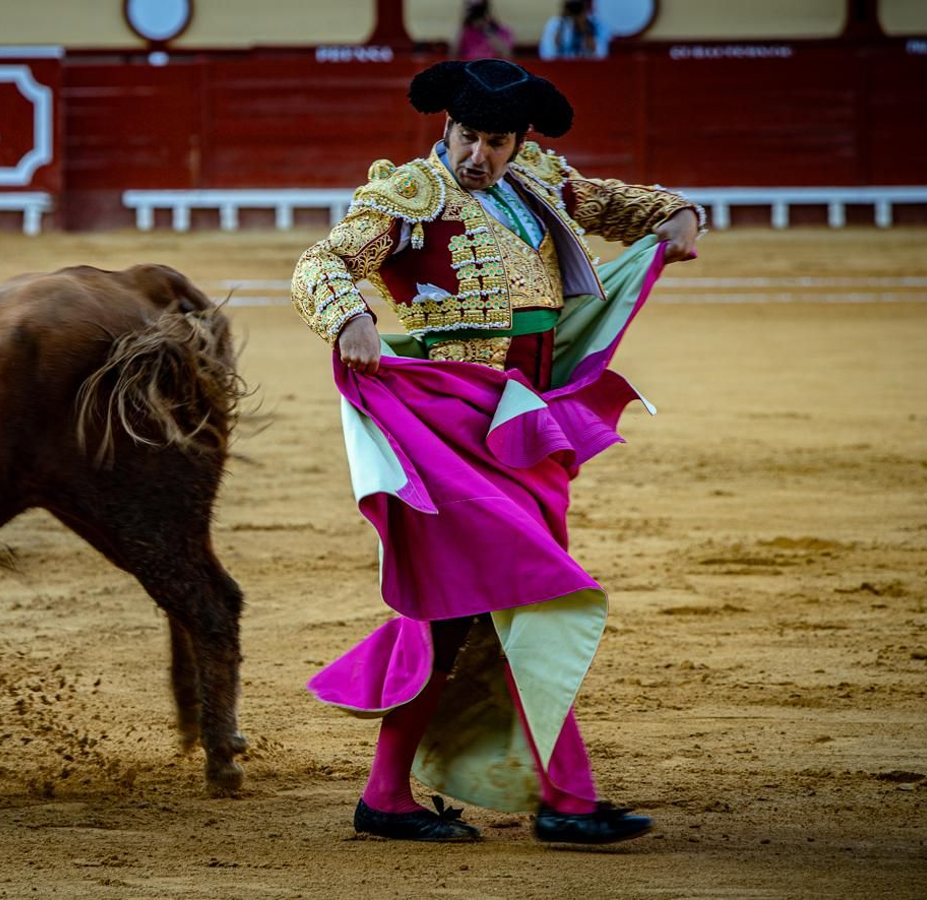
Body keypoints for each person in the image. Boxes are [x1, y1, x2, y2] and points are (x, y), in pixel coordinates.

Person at [291, 58, 701, 844]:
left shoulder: (539, 180)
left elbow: (622, 204)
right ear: (445, 128)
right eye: (467, 136)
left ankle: (388, 795)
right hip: (445, 425)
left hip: (523, 424)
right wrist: (349, 316)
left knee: (466, 609)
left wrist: (679, 214)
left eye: (496, 140)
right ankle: (567, 800)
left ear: (520, 141)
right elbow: (321, 263)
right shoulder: (410, 196)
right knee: (526, 590)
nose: (478, 154)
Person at [539, 0, 609, 60]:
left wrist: (586, 29)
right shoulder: (555, 23)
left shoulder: (595, 23)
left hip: (588, 67)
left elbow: (602, 54)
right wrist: (561, 26)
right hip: (562, 67)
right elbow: (546, 54)